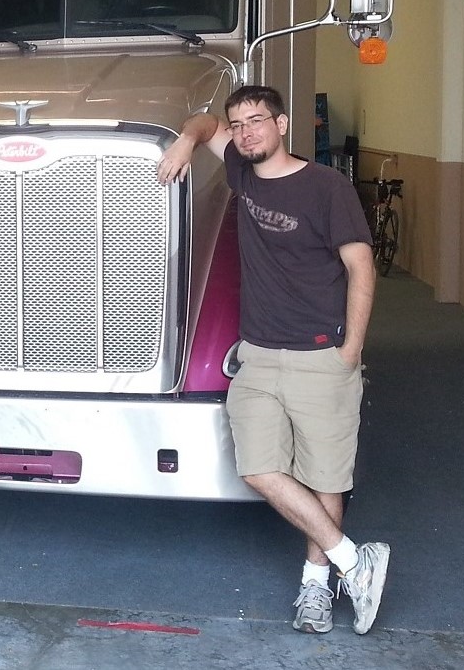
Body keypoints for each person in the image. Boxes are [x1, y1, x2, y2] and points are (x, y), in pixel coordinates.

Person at [157, 84, 388, 636]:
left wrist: (350, 350)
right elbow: (203, 121)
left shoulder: (326, 187)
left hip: (318, 355)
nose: (245, 132)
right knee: (258, 468)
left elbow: (361, 267)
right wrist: (187, 141)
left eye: (257, 121)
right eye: (240, 124)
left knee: (325, 476)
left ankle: (316, 586)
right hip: (258, 357)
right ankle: (356, 562)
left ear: (282, 125)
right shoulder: (240, 170)